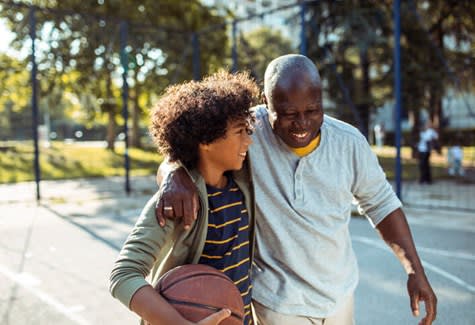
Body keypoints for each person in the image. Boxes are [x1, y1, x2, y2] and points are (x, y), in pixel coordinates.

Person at [155, 54, 437, 325]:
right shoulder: (246, 133)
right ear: (266, 103)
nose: (302, 124)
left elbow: (382, 203)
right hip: (278, 303)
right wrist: (174, 173)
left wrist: (415, 270)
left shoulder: (349, 143)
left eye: (313, 110)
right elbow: (187, 151)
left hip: (339, 296)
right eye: (289, 114)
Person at [109, 71, 259, 325]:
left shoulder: (243, 180)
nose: (249, 141)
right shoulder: (175, 202)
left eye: (249, 130)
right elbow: (123, 275)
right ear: (205, 139)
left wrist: (171, 169)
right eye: (239, 132)